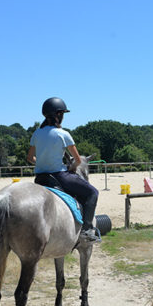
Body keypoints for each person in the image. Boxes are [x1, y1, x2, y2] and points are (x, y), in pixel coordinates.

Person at [27, 97, 101, 243]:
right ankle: (86, 230)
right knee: (93, 192)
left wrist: (40, 163)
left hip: (40, 178)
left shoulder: (36, 133)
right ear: (59, 114)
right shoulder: (63, 134)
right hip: (59, 176)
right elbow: (78, 160)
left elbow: (30, 158)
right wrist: (71, 168)